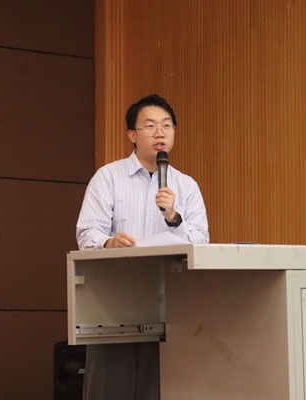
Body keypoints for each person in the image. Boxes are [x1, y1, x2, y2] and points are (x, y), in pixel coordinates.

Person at [76, 94, 210, 400]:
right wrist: (109, 242)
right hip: (114, 303)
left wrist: (174, 218)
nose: (160, 133)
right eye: (149, 126)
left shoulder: (186, 186)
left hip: (171, 304)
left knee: (162, 389)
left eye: (166, 125)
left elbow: (202, 240)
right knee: (110, 389)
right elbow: (86, 233)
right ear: (132, 135)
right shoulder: (108, 178)